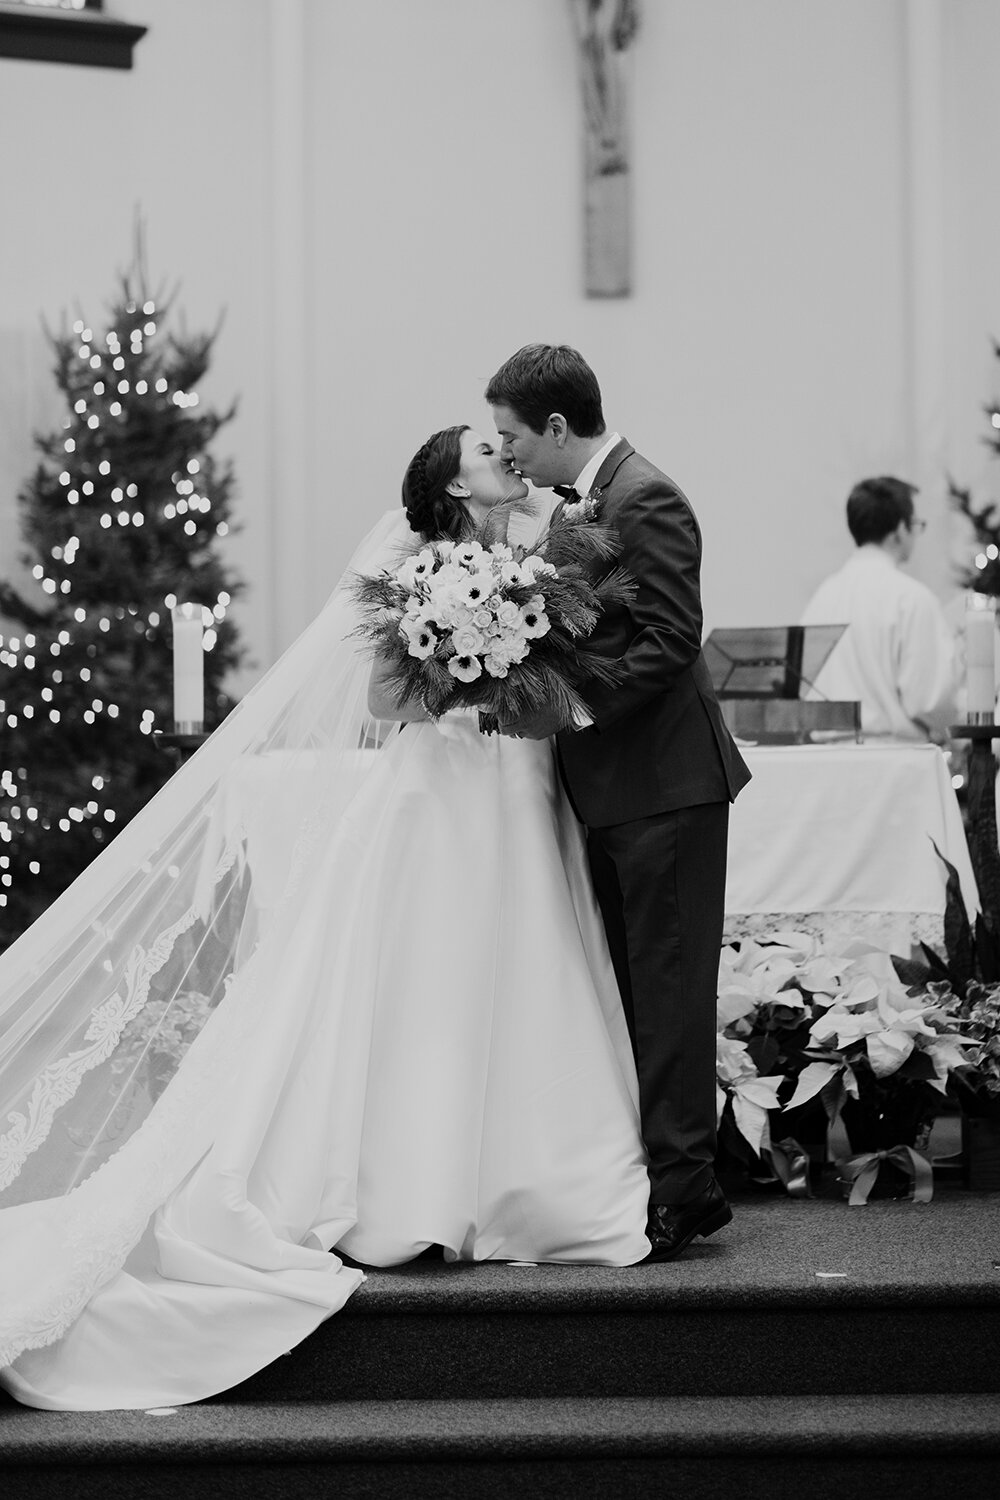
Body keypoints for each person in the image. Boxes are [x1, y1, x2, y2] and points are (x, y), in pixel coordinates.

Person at [0, 424, 650, 1412]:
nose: (505, 454)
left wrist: (518, 648)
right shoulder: (408, 571)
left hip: (520, 796)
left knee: (529, 977)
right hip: (437, 802)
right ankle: (413, 1192)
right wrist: (462, 645)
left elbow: (561, 689)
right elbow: (390, 697)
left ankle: (539, 1185)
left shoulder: (543, 554)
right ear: (446, 481)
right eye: (484, 447)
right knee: (423, 988)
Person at [485, 343, 751, 1262]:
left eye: (513, 435)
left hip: (666, 786)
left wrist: (574, 707)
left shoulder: (647, 497)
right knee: (636, 987)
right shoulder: (578, 507)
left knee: (669, 991)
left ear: (559, 428)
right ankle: (661, 1177)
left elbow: (675, 638)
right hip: (615, 788)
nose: (506, 452)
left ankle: (686, 1196)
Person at [800, 476, 959, 742]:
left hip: (825, 758)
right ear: (900, 529)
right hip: (893, 756)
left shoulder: (822, 597)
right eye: (916, 525)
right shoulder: (911, 598)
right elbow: (929, 701)